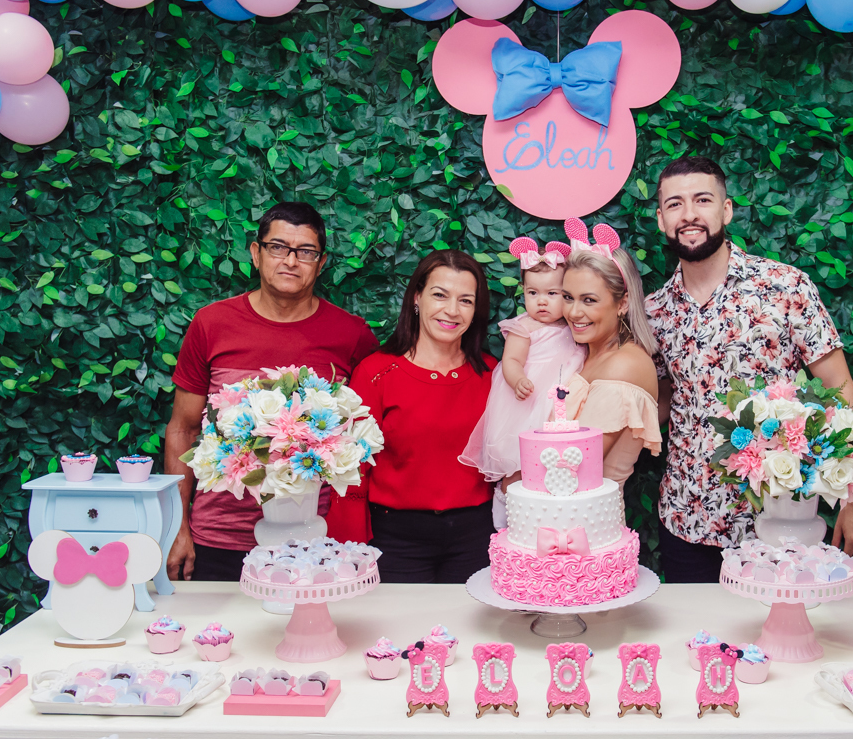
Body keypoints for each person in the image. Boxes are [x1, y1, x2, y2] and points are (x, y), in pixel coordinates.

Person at [645, 157, 853, 583]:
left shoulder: (785, 286)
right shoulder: (654, 312)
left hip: (781, 522)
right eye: (675, 204)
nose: (689, 214)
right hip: (687, 518)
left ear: (726, 210)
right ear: (661, 219)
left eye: (702, 200)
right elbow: (661, 403)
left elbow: (841, 391)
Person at [166, 202, 378, 582]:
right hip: (218, 537)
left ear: (321, 262)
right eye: (278, 247)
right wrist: (176, 527)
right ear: (256, 252)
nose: (290, 261)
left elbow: (365, 433)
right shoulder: (212, 324)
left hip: (313, 543)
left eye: (305, 251)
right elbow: (183, 428)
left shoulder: (351, 335)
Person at [326, 250, 497, 583]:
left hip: (476, 537)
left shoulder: (494, 375)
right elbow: (351, 469)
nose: (452, 310)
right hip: (394, 539)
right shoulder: (376, 373)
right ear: (417, 298)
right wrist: (349, 551)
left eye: (465, 300)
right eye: (440, 295)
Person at [459, 237, 585, 526]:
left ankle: (543, 517)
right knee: (519, 461)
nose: (541, 301)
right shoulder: (523, 327)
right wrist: (518, 381)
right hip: (527, 401)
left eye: (552, 293)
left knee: (552, 464)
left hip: (559, 404)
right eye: (532, 292)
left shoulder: (573, 325)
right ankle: (505, 510)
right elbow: (511, 361)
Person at [558, 218, 662, 488]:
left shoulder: (624, 366)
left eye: (589, 300)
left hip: (584, 511)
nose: (573, 312)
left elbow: (572, 468)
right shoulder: (585, 355)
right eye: (568, 297)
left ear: (622, 303)